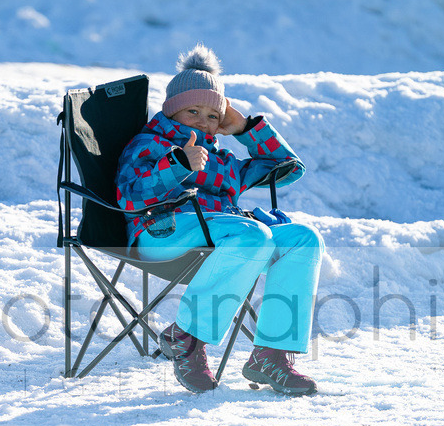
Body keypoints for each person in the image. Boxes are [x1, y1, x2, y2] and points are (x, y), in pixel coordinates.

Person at [116, 43, 325, 396]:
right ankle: (189, 339)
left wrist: (244, 127)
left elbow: (287, 169)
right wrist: (179, 165)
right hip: (162, 235)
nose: (202, 121)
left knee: (303, 238)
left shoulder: (222, 161)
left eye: (213, 116)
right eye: (192, 111)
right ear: (171, 112)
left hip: (226, 239)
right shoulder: (148, 144)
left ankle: (271, 356)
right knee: (253, 234)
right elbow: (131, 194)